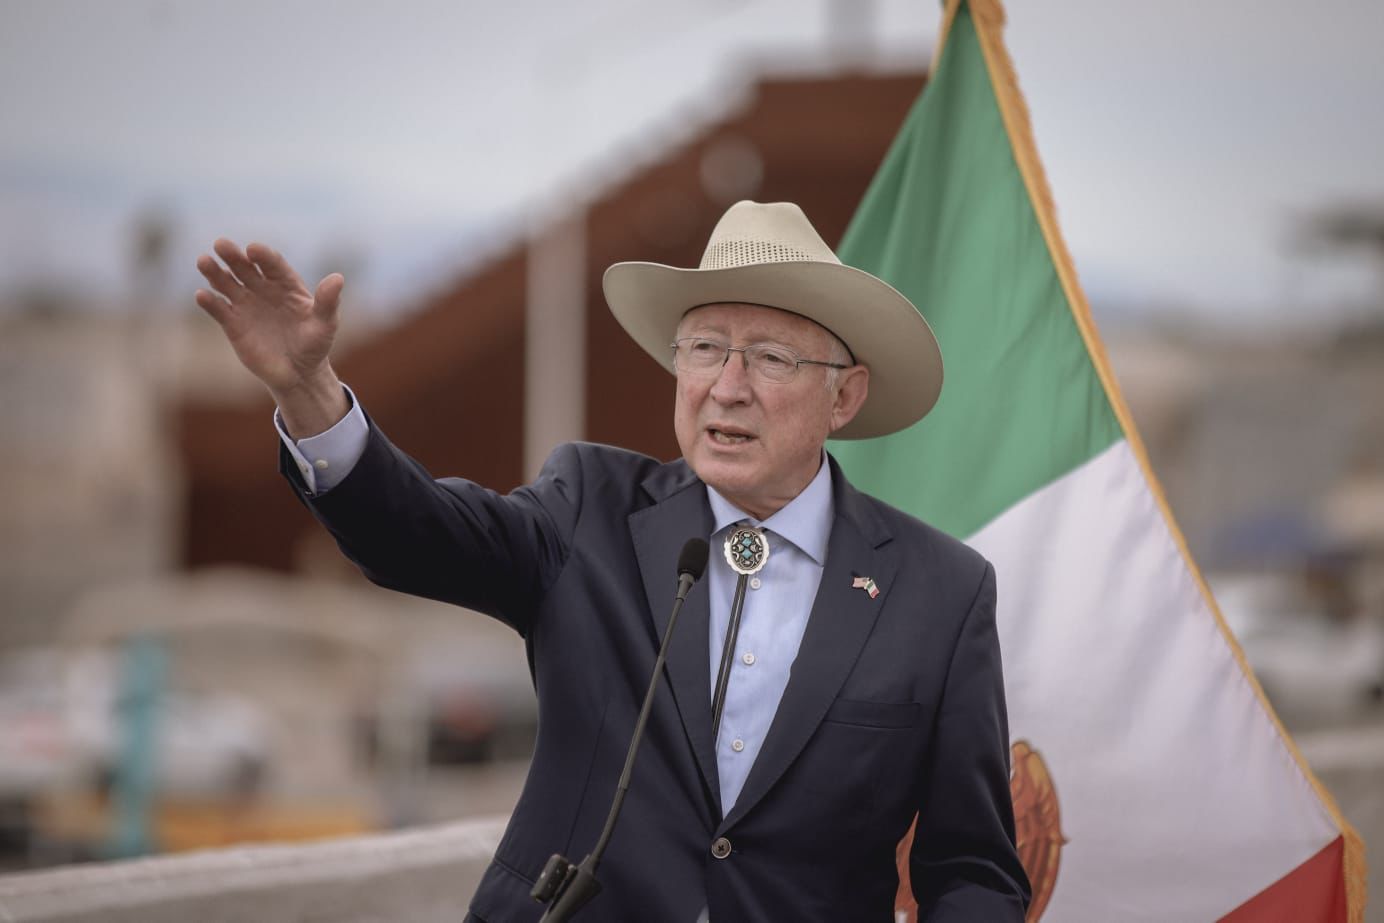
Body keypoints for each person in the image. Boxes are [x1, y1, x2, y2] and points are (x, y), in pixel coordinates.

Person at [195, 200, 1031, 922]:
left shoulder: (941, 592)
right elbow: (414, 533)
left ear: (844, 396)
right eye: (704, 348)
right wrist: (308, 393)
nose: (726, 385)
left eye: (771, 358)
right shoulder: (589, 504)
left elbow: (971, 870)